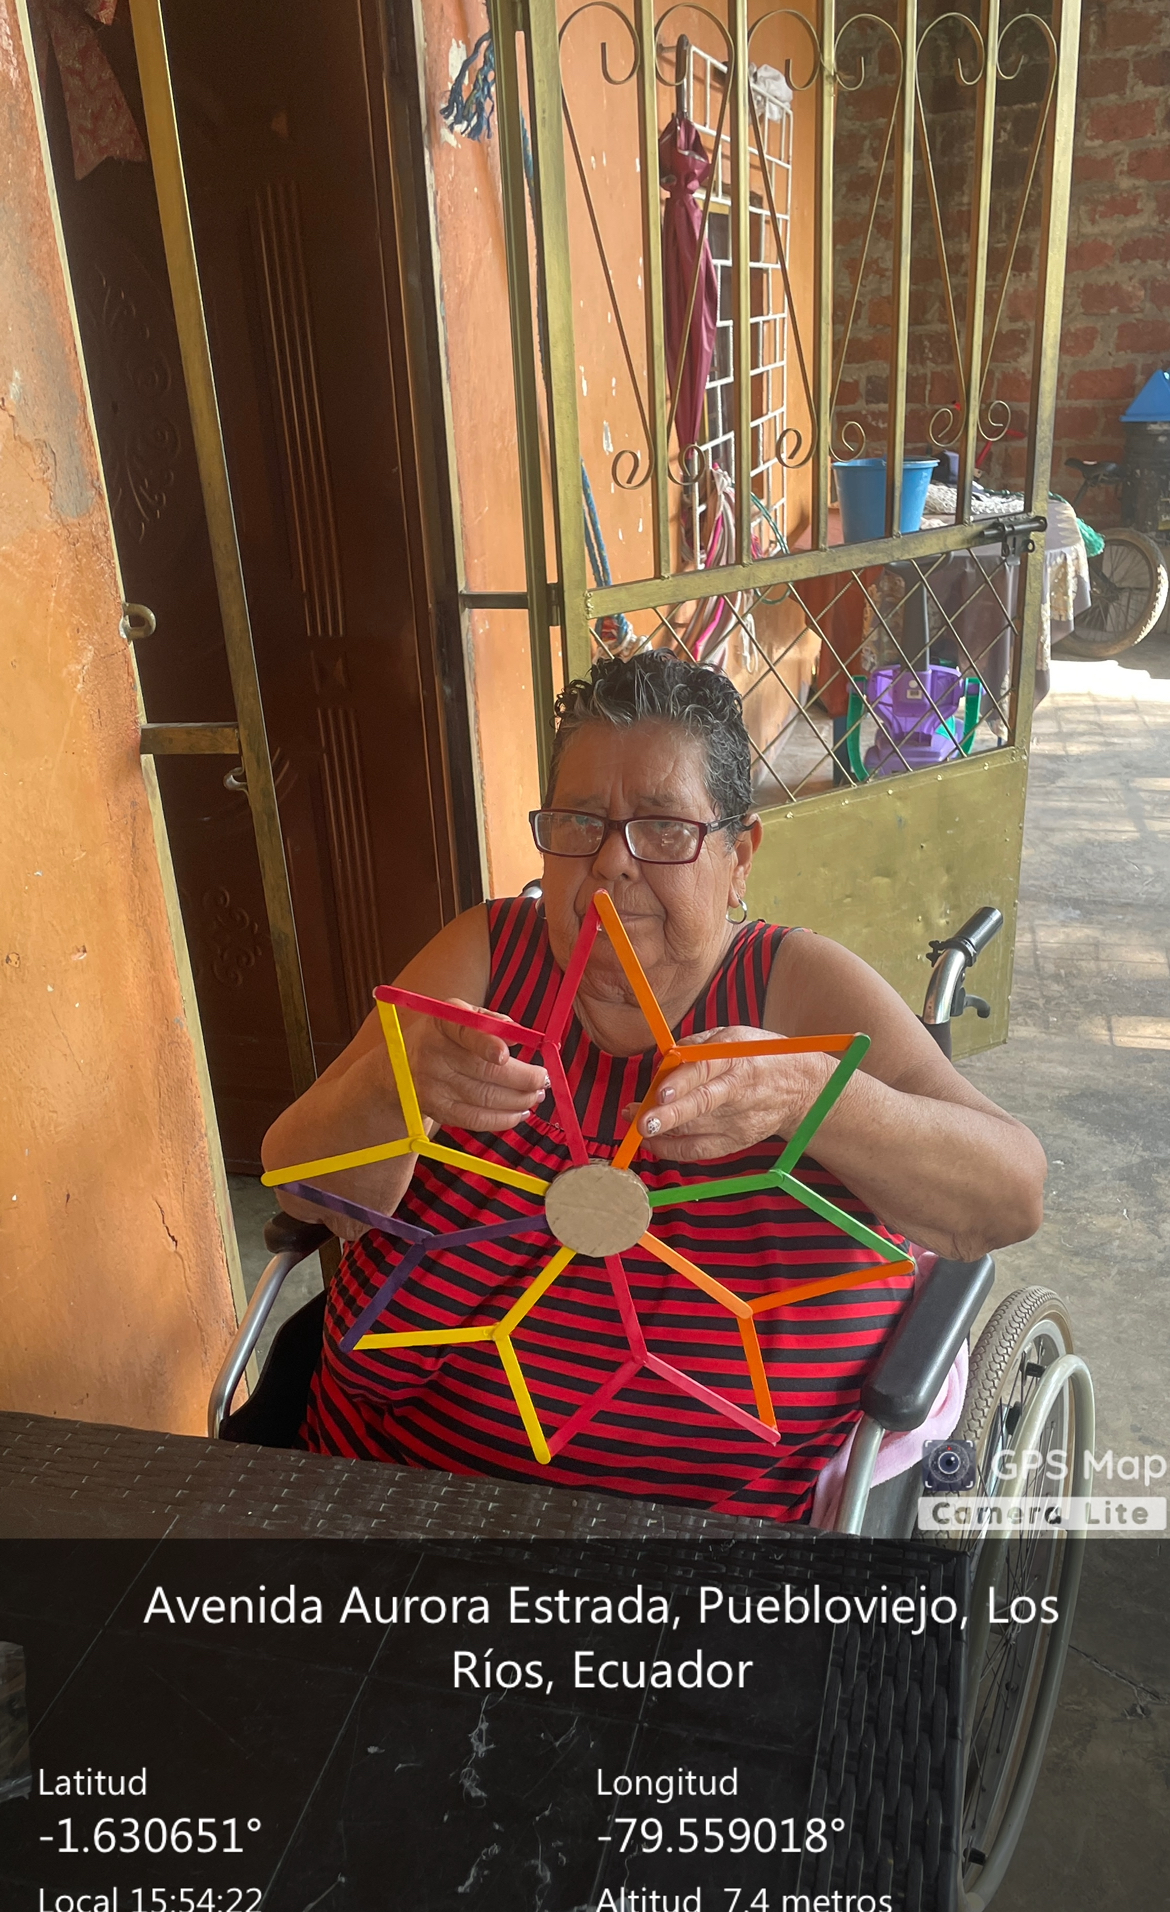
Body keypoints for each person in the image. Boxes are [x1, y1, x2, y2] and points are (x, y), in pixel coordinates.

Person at [263, 652, 1045, 1521]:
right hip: (386, 1487)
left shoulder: (795, 990)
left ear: (739, 857)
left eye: (665, 828)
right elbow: (300, 1181)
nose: (611, 864)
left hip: (701, 1542)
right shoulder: (486, 958)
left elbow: (1009, 1195)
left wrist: (809, 1093)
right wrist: (391, 1083)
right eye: (579, 822)